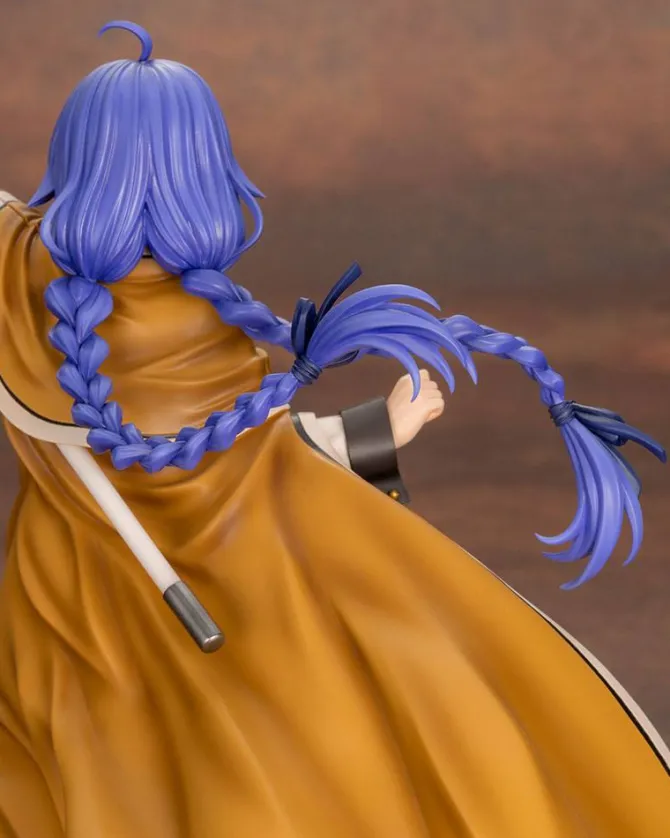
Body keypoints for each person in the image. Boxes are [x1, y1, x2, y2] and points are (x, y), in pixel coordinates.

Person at [0, 20, 667, 838]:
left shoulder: (15, 278)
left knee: (83, 767)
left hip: (62, 608)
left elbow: (218, 462)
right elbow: (244, 473)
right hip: (199, 611)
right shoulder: (202, 337)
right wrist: (375, 432)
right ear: (203, 173)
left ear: (72, 162)